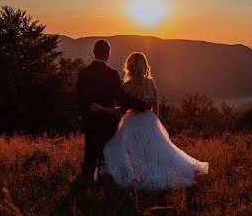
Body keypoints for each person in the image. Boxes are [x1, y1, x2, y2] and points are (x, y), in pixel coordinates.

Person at [91, 52, 208, 190]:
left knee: (128, 152)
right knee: (157, 153)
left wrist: (101, 108)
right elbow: (156, 106)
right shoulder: (150, 82)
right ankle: (174, 173)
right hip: (150, 121)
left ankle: (138, 176)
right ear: (144, 66)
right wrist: (155, 125)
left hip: (132, 124)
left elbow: (120, 111)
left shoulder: (127, 86)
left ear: (129, 66)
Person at [75, 39, 146, 183]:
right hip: (107, 124)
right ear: (108, 54)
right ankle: (103, 186)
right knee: (105, 157)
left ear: (94, 52)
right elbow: (122, 99)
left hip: (89, 123)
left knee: (89, 155)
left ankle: (84, 185)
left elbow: (78, 99)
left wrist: (83, 117)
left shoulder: (82, 73)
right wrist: (141, 105)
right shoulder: (112, 74)